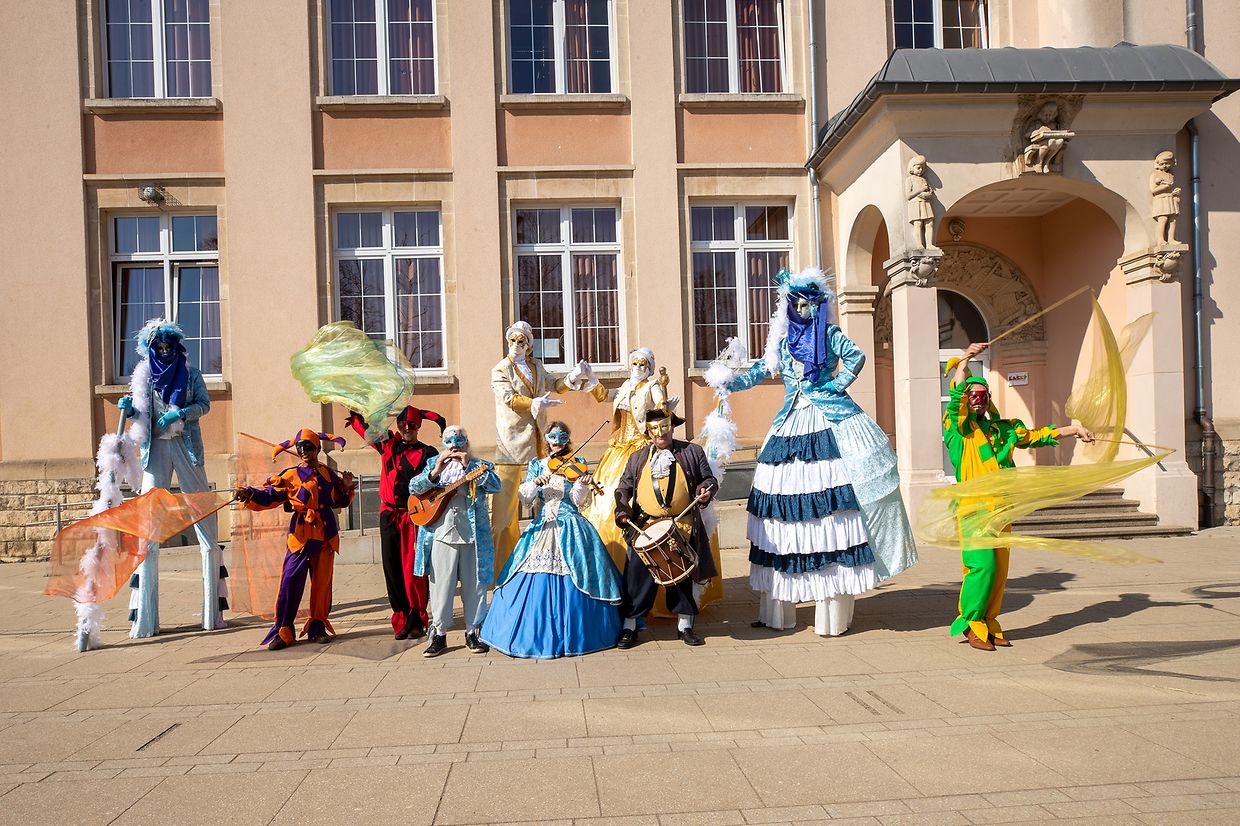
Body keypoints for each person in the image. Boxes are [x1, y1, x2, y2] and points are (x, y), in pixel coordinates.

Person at [712, 266, 918, 637]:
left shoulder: (829, 333)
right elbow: (760, 371)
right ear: (790, 305)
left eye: (811, 303)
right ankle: (780, 610)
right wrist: (730, 380)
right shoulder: (781, 341)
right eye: (799, 303)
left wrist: (835, 386)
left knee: (831, 516)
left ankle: (831, 615)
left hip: (829, 421)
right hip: (789, 425)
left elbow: (855, 357)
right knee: (783, 514)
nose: (805, 309)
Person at [944, 342, 1094, 650]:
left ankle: (988, 621)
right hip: (974, 510)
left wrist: (1073, 430)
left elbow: (1035, 436)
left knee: (999, 571)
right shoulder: (959, 431)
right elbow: (956, 401)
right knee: (981, 566)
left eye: (981, 395)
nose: (976, 400)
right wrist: (966, 361)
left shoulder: (1004, 430)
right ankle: (971, 623)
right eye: (971, 395)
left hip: (1002, 510)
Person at [117, 319, 227, 638]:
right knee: (148, 527)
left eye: (169, 346)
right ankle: (145, 620)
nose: (164, 352)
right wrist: (131, 410)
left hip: (186, 447)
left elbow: (203, 405)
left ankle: (212, 615)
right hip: (156, 452)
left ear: (176, 346)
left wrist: (180, 413)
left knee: (203, 516)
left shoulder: (191, 373)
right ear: (151, 348)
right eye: (159, 347)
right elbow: (140, 415)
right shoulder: (144, 378)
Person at [481, 422, 622, 658]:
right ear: (547, 439)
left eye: (562, 437)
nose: (557, 441)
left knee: (582, 571)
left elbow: (577, 501)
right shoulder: (538, 465)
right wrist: (534, 483)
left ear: (568, 439)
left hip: (570, 523)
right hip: (544, 523)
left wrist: (582, 484)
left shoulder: (577, 463)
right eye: (553, 436)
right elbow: (525, 498)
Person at [236, 429, 356, 651]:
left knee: (321, 584)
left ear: (317, 449)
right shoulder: (289, 475)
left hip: (326, 533)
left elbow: (339, 501)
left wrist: (346, 487)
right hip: (300, 535)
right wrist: (249, 494)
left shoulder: (329, 474)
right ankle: (284, 630)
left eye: (308, 447)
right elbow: (270, 495)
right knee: (290, 581)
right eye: (300, 448)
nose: (303, 451)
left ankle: (318, 627)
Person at [614, 409, 718, 648]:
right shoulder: (637, 457)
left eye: (664, 427)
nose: (659, 433)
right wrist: (621, 510)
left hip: (681, 524)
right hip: (645, 526)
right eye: (654, 429)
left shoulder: (692, 452)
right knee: (636, 578)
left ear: (671, 427)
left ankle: (685, 626)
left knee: (680, 577)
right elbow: (624, 487)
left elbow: (709, 479)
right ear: (648, 432)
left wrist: (705, 490)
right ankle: (629, 627)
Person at [490, 321, 582, 575]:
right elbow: (508, 398)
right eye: (513, 341)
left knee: (547, 507)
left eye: (522, 341)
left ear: (529, 345)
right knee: (503, 516)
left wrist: (572, 378)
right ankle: (502, 570)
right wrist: (534, 403)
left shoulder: (536, 366)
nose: (517, 345)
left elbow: (554, 385)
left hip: (540, 448)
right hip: (510, 448)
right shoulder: (501, 369)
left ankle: (545, 563)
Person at [347, 405, 446, 640]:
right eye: (403, 424)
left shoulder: (428, 453)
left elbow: (436, 484)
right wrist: (356, 404)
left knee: (414, 570)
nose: (407, 428)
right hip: (389, 516)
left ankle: (417, 619)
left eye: (412, 424)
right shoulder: (387, 445)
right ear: (398, 425)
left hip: (414, 517)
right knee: (392, 570)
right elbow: (364, 427)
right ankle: (400, 619)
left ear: (419, 426)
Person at [408, 425, 502, 657]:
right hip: (441, 533)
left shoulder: (479, 465)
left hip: (472, 535)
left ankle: (472, 632)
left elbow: (496, 486)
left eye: (459, 441)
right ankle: (439, 634)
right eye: (450, 441)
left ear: (466, 443)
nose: (454, 446)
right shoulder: (433, 464)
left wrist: (468, 466)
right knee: (441, 585)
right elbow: (412, 487)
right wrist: (436, 472)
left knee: (475, 585)